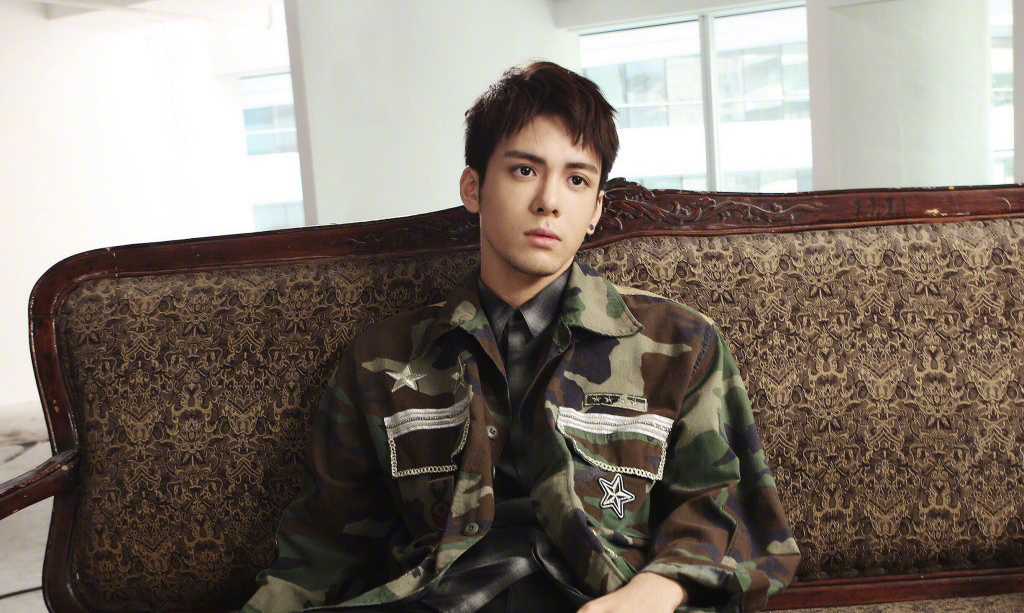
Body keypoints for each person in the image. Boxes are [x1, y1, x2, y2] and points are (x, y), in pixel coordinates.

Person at [242, 61, 799, 613]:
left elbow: (730, 514)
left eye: (576, 180)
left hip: (596, 597)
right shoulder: (381, 359)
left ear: (595, 210)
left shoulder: (681, 344)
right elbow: (320, 551)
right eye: (524, 170)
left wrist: (646, 598)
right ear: (473, 187)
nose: (549, 201)